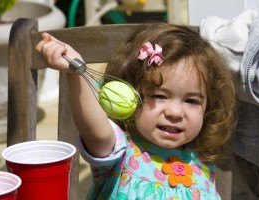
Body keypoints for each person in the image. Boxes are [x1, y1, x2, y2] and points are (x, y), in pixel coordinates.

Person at [36, 22, 236, 200]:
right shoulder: (120, 150)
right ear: (129, 96)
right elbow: (95, 131)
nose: (175, 112)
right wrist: (75, 73)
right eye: (159, 96)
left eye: (191, 100)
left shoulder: (201, 160)